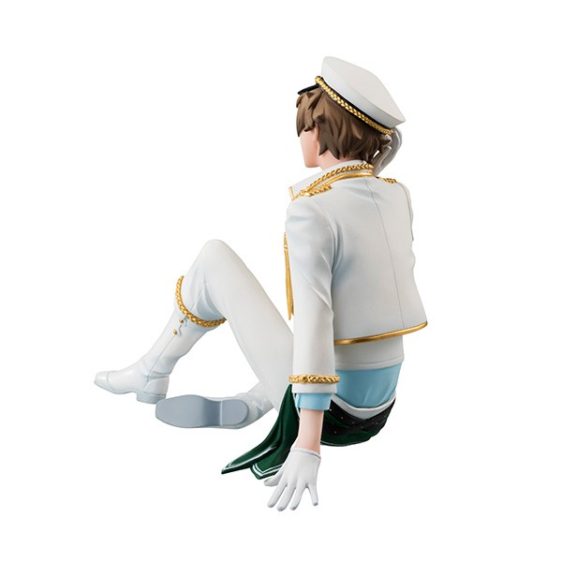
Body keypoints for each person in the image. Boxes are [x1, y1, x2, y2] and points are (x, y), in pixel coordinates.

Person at [94, 56, 427, 512]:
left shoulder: (312, 210)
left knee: (214, 260)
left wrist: (307, 446)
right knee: (326, 328)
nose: (301, 138)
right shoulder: (397, 196)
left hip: (333, 415)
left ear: (321, 130)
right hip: (381, 408)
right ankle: (252, 403)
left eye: (304, 127)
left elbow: (314, 324)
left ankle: (152, 371)